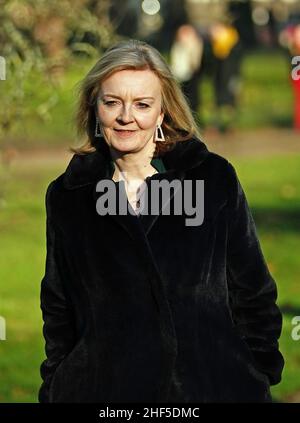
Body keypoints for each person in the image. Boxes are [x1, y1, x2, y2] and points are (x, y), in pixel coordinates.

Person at [38, 39, 284, 403]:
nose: (126, 117)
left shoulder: (212, 179)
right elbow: (59, 307)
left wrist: (254, 372)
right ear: (94, 107)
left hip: (210, 389)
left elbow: (253, 292)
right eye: (112, 102)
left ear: (162, 112)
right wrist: (59, 384)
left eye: (142, 104)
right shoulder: (69, 195)